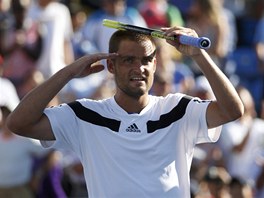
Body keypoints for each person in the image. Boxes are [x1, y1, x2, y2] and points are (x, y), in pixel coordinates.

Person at [7, 26, 244, 198]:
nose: (138, 68)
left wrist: (198, 56)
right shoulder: (84, 114)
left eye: (145, 60)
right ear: (111, 66)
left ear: (154, 64)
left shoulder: (179, 108)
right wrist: (68, 73)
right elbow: (18, 123)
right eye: (129, 60)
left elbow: (232, 110)